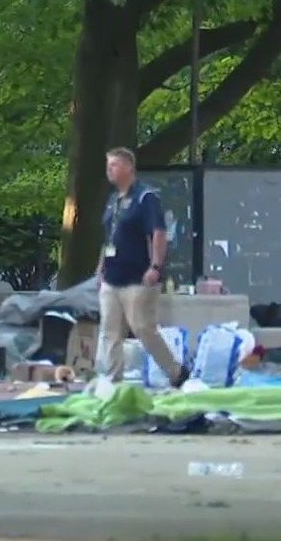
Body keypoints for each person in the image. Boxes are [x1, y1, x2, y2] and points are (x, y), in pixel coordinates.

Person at [95, 147, 189, 387]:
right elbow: (109, 237)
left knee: (143, 329)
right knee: (110, 332)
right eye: (108, 166)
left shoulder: (146, 198)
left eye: (114, 165)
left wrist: (155, 266)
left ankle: (176, 372)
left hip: (137, 278)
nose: (109, 170)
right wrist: (101, 266)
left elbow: (158, 232)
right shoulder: (113, 200)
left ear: (129, 167)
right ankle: (112, 380)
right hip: (112, 278)